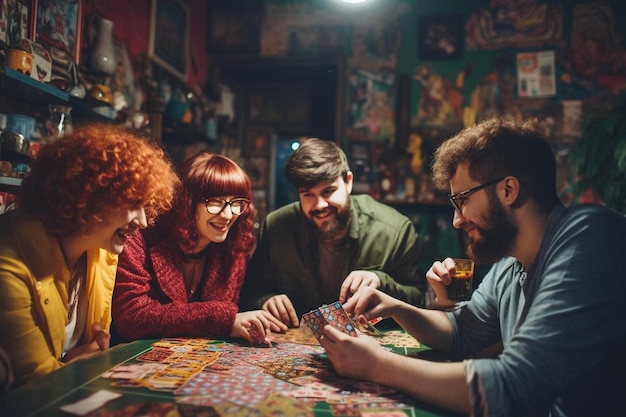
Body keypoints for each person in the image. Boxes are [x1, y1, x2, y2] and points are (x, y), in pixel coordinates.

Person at [318, 118, 626, 416]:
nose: (457, 220)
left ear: (508, 190)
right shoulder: (512, 262)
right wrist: (395, 307)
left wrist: (377, 365)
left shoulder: (590, 235)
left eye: (462, 200)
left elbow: (513, 385)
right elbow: (461, 331)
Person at [0, 122, 179, 388]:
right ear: (91, 195)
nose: (143, 221)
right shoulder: (11, 256)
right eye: (133, 204)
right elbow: (33, 384)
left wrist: (78, 360)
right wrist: (75, 366)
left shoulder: (101, 254)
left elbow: (85, 355)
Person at [239, 138, 426, 328]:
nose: (319, 205)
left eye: (328, 191)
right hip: (295, 349)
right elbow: (249, 292)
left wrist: (381, 282)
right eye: (308, 195)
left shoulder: (394, 229)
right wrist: (265, 300)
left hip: (372, 349)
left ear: (348, 182)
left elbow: (418, 300)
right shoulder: (276, 228)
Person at [112, 152, 287, 346]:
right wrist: (221, 319)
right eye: (215, 202)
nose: (228, 214)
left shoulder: (233, 247)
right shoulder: (141, 235)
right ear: (186, 202)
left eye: (236, 203)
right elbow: (131, 316)